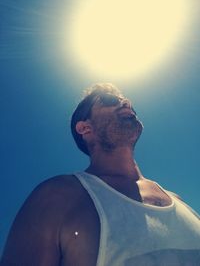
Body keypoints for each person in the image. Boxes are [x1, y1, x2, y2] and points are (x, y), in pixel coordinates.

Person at [1, 83, 200, 266]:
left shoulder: (179, 202)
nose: (126, 102)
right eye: (109, 99)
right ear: (85, 128)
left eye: (126, 100)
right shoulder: (57, 198)